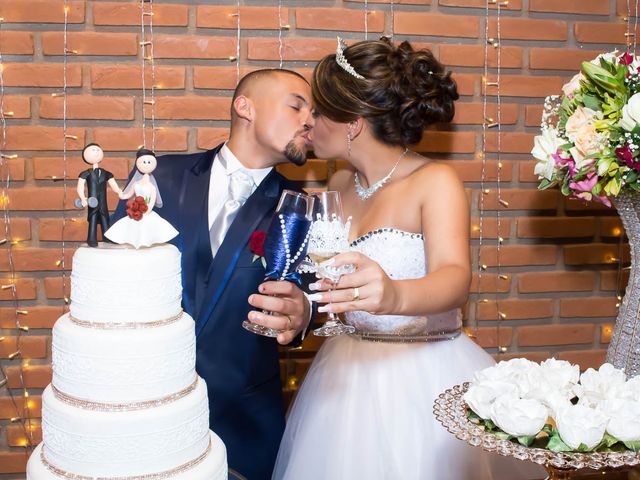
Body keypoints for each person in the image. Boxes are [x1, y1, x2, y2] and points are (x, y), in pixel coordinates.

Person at [272, 38, 545, 479]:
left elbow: (456, 279)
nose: (309, 122)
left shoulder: (433, 181)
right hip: (343, 376)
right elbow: (335, 289)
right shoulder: (339, 181)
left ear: (353, 124)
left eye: (319, 112)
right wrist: (305, 308)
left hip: (424, 375)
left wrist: (394, 294)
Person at [113, 69, 315, 480]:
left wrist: (305, 312)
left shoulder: (300, 208)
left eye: (313, 112)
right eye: (297, 105)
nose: (309, 119)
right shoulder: (159, 177)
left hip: (244, 424)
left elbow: (311, 297)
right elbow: (114, 274)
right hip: (141, 410)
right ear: (245, 107)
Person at [105, 149, 178, 248]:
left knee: (147, 228)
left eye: (149, 162)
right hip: (136, 211)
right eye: (144, 162)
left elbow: (152, 200)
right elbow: (128, 195)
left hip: (146, 211)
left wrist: (147, 210)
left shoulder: (152, 186)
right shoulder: (135, 184)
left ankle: (146, 243)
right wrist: (121, 194)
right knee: (133, 228)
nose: (147, 164)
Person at [77, 143, 123, 247]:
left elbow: (113, 184)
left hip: (103, 202)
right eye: (93, 150)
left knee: (104, 219)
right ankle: (91, 238)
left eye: (98, 150)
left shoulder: (106, 173)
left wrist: (119, 191)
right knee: (93, 219)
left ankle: (107, 237)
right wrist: (82, 197)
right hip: (92, 201)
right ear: (85, 155)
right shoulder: (86, 173)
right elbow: (80, 187)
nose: (96, 152)